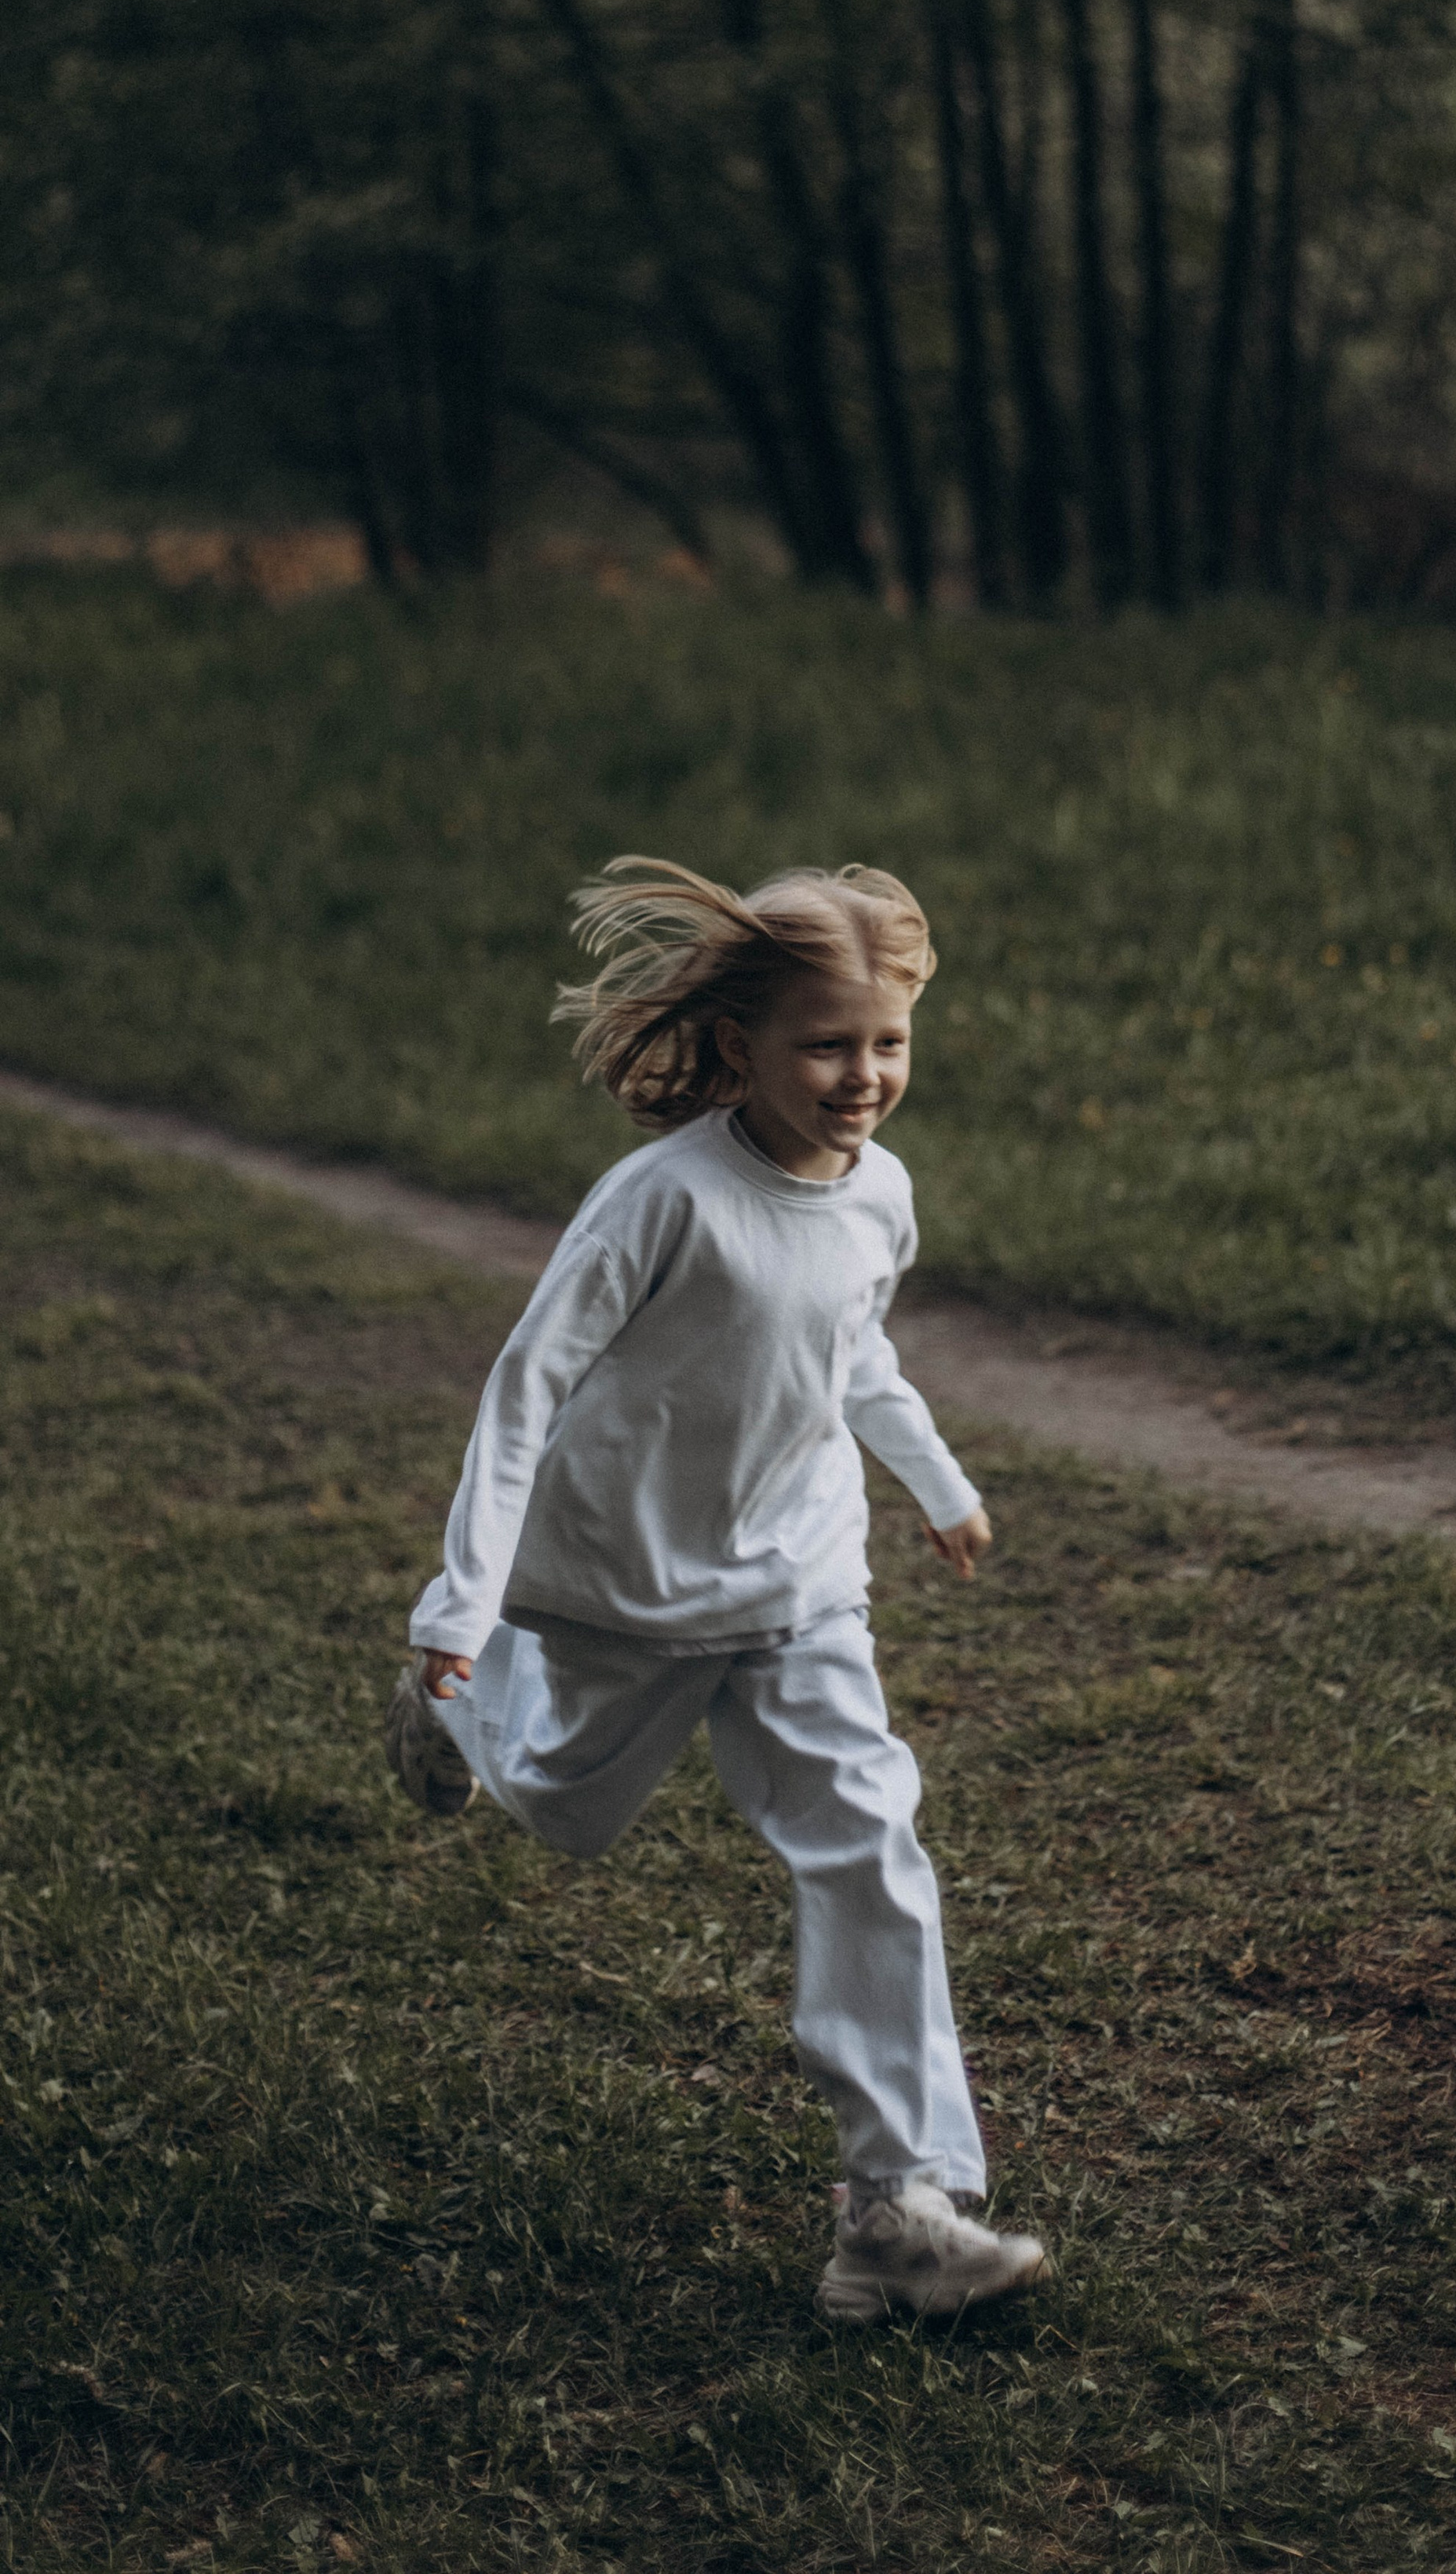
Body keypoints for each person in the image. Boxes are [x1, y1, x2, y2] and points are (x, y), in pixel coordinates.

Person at [382, 857, 1047, 2317]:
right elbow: (524, 1389)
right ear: (739, 1047)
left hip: (801, 1581)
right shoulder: (657, 1202)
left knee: (871, 1837)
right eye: (826, 1043)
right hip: (632, 1578)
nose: (863, 1075)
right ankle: (455, 1711)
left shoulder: (880, 1193)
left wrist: (935, 1481)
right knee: (560, 1804)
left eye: (888, 1042)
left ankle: (893, 2207)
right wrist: (460, 1608)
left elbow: (850, 1349)